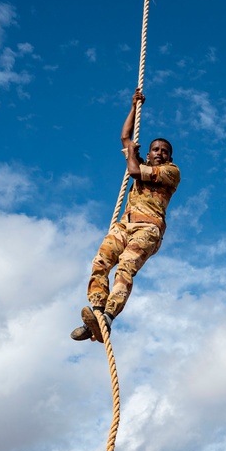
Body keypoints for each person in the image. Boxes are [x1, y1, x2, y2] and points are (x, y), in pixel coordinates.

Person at [72, 88, 181, 342]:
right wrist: (134, 107)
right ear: (150, 152)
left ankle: (109, 316)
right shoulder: (141, 162)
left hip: (147, 229)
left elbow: (133, 170)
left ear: (169, 157)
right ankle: (97, 313)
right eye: (155, 149)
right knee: (100, 262)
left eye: (164, 151)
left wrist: (133, 154)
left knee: (125, 268)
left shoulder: (171, 172)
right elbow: (124, 137)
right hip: (126, 224)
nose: (159, 153)